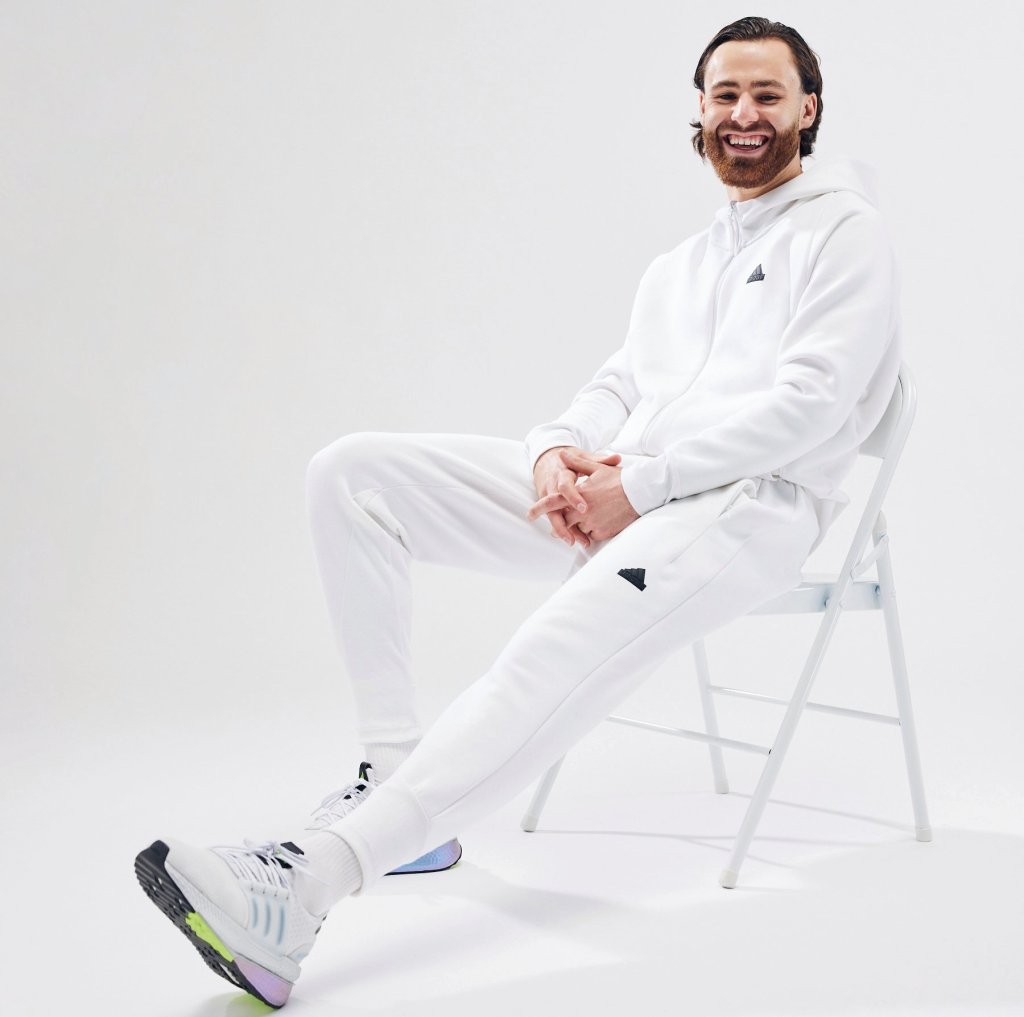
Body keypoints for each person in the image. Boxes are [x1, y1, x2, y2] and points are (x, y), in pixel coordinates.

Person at [135, 16, 901, 1009]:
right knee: (354, 474)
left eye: (766, 94)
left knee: (549, 642)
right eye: (725, 94)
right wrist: (555, 454)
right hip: (632, 491)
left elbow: (813, 406)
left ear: (808, 108)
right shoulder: (681, 265)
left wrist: (643, 486)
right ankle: (399, 785)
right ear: (701, 109)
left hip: (747, 510)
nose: (743, 114)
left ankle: (309, 885)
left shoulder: (845, 232)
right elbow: (617, 386)